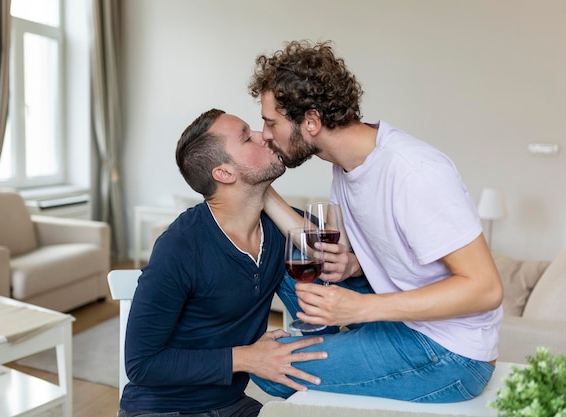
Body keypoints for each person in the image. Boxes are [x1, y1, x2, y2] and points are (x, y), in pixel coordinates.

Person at [246, 40, 504, 403]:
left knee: (274, 368)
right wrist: (352, 265)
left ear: (312, 121)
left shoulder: (414, 171)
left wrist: (360, 309)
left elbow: (486, 288)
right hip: (400, 316)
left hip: (450, 353)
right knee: (284, 250)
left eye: (270, 122)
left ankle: (346, 345)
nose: (265, 134)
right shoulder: (345, 165)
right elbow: (387, 256)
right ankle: (347, 346)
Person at [118, 109, 337, 417]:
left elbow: (329, 251)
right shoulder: (180, 245)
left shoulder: (274, 230)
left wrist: (264, 193)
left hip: (231, 406)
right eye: (248, 137)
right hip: (163, 409)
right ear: (223, 173)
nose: (266, 136)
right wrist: (246, 358)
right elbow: (141, 364)